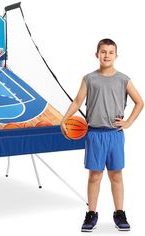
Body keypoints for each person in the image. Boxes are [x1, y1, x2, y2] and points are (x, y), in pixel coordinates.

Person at [61, 38, 144, 232]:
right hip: (94, 134)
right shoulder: (89, 78)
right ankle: (91, 214)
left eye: (111, 52)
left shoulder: (123, 79)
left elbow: (140, 102)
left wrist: (129, 122)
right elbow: (77, 101)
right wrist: (65, 118)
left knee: (116, 175)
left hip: (114, 134)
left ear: (116, 55)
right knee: (94, 176)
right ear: (96, 54)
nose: (107, 55)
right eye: (103, 51)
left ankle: (120, 213)